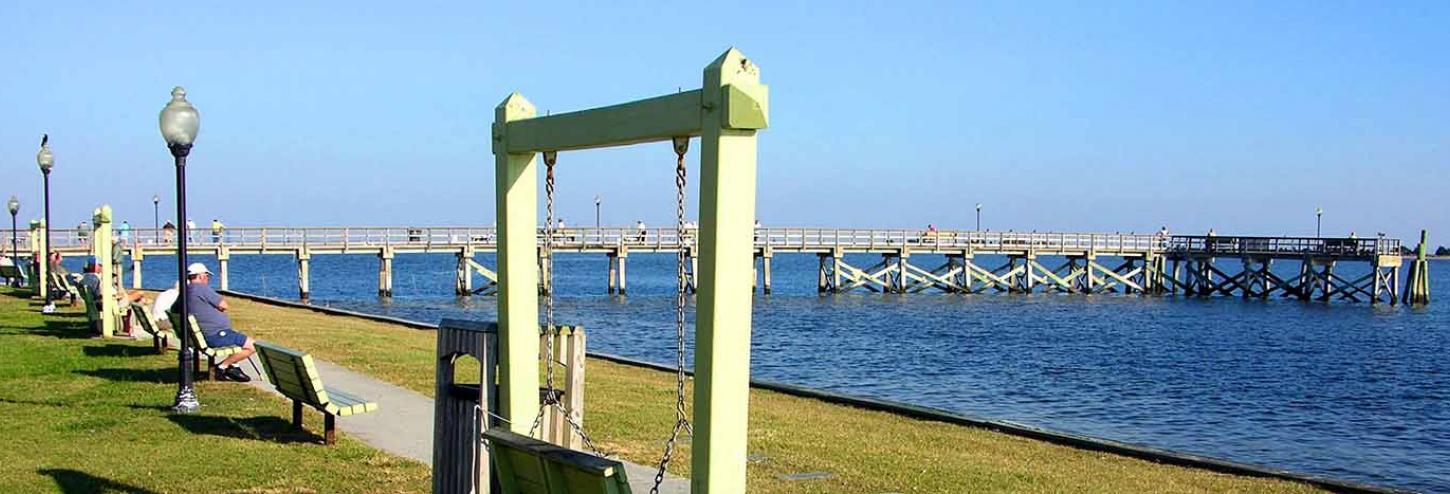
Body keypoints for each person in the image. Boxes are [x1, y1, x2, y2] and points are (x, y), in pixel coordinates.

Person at [174, 263, 255, 382]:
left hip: (199, 336)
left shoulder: (185, 291)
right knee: (252, 345)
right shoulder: (202, 288)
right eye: (207, 276)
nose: (208, 279)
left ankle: (234, 367)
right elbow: (224, 305)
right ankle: (222, 367)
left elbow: (174, 309)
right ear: (201, 276)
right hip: (214, 335)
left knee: (236, 337)